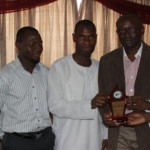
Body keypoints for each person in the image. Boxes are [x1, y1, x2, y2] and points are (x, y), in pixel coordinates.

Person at [48, 19, 108, 150]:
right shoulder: (60, 67)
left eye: (91, 37)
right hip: (68, 140)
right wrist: (89, 104)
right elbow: (55, 105)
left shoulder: (100, 68)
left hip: (95, 139)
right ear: (74, 38)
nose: (87, 41)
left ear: (96, 38)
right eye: (82, 37)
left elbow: (104, 107)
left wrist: (105, 135)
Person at [98, 13, 150, 150]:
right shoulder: (107, 61)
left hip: (147, 128)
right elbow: (103, 97)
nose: (126, 34)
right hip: (118, 131)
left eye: (131, 29)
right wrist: (106, 116)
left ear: (142, 30)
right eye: (121, 30)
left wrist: (147, 105)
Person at [0, 26, 55, 150]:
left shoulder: (47, 73)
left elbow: (54, 105)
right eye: (33, 43)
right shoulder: (5, 75)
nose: (38, 48)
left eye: (40, 44)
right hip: (17, 143)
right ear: (18, 45)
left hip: (46, 140)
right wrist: (4, 137)